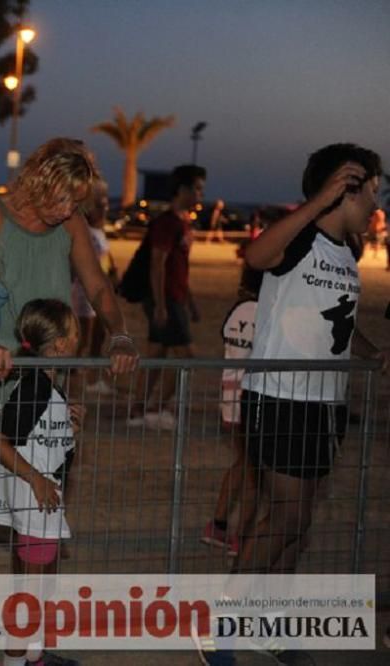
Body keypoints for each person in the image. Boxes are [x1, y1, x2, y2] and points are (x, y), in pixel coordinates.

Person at [0, 138, 138, 574]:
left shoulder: (70, 225)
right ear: (39, 179)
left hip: (43, 379)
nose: (69, 209)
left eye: (77, 201)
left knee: (39, 500)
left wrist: (120, 335)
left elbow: (96, 287)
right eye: (65, 197)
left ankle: (26, 629)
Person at [235, 144, 384, 575]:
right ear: (345, 190)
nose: (376, 204)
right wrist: (318, 201)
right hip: (280, 398)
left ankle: (268, 622)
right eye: (371, 191)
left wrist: (373, 351)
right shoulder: (301, 237)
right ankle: (221, 617)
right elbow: (257, 257)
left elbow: (335, 318)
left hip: (326, 403)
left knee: (301, 524)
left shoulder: (346, 253)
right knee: (288, 518)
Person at [0, 299, 85, 666]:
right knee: (28, 593)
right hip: (34, 506)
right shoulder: (34, 390)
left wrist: (73, 429)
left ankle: (34, 655)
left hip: (42, 508)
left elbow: (50, 450)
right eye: (75, 332)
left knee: (38, 588)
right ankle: (16, 660)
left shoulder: (50, 391)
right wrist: (37, 479)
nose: (79, 338)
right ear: (60, 344)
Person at [128, 164, 205, 430]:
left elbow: (179, 267)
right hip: (165, 299)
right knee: (187, 356)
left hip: (175, 298)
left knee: (156, 354)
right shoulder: (167, 223)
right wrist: (161, 305)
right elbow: (157, 264)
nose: (200, 194)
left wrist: (190, 300)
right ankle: (158, 408)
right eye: (197, 188)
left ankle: (139, 410)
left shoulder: (182, 223)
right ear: (182, 190)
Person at [201, 264, 262, 558]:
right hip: (254, 399)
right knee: (254, 472)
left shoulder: (237, 311)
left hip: (232, 397)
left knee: (243, 463)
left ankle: (220, 524)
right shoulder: (265, 312)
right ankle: (243, 536)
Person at [70, 178, 118, 395]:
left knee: (99, 335)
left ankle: (91, 378)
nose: (104, 210)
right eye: (100, 205)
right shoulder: (84, 231)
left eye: (106, 205)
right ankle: (73, 378)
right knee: (83, 337)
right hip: (83, 292)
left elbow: (106, 258)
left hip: (98, 292)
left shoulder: (99, 232)